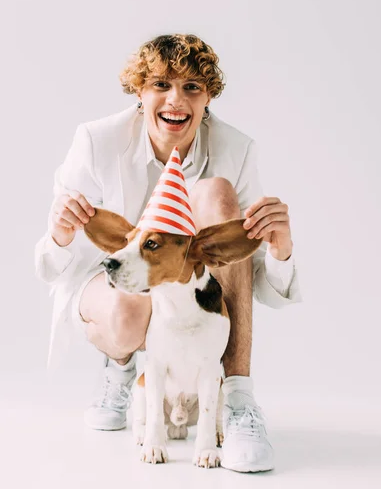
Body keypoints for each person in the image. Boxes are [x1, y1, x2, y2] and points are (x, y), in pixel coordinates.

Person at [35, 33, 301, 473]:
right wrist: (60, 233)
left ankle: (237, 399)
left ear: (208, 97)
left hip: (191, 294)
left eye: (192, 87)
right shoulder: (97, 141)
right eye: (161, 84)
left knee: (218, 192)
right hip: (113, 284)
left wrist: (280, 250)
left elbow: (249, 277)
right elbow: (49, 267)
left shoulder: (236, 150)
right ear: (140, 93)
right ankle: (122, 370)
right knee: (128, 314)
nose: (176, 100)